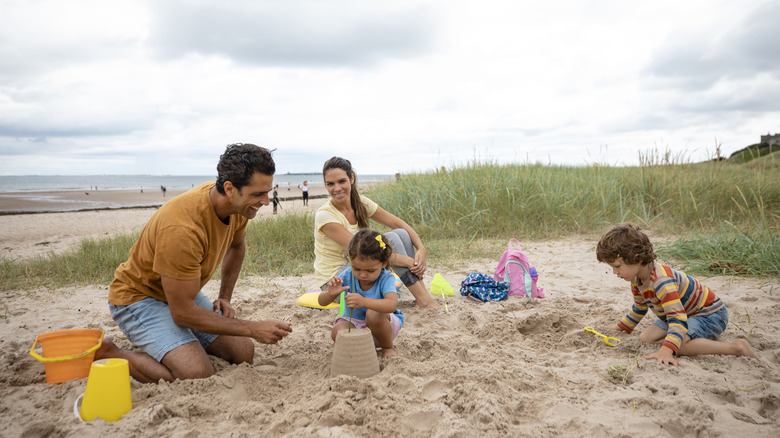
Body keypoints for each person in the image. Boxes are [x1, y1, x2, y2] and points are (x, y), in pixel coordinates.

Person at [97, 143, 293, 383]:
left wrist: (225, 297)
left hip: (179, 295)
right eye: (257, 194)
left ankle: (175, 342)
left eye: (267, 192)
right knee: (196, 373)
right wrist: (252, 328)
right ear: (230, 188)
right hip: (138, 299)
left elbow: (236, 245)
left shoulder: (238, 207)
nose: (265, 201)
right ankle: (110, 353)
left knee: (243, 353)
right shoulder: (182, 229)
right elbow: (182, 313)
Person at [596, 223, 758, 367]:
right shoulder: (636, 278)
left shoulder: (662, 281)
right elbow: (640, 307)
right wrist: (621, 328)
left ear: (637, 259)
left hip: (708, 314)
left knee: (677, 347)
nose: (615, 272)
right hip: (681, 313)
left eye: (617, 266)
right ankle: (691, 338)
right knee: (646, 337)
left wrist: (667, 350)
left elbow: (678, 318)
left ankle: (736, 348)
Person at [314, 157, 439, 309]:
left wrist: (421, 248)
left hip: (360, 270)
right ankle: (425, 301)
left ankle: (422, 295)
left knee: (400, 233)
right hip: (335, 283)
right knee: (390, 239)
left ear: (351, 178)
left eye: (341, 181)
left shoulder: (360, 203)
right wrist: (410, 262)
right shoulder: (325, 215)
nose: (337, 188)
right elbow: (362, 251)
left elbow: (399, 224)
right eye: (330, 184)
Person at [318, 229, 404, 358]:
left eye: (370, 270)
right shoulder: (347, 274)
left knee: (373, 313)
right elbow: (321, 302)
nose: (362, 274)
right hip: (355, 326)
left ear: (383, 264)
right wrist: (330, 293)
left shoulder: (386, 278)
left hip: (383, 330)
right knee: (337, 331)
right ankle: (360, 351)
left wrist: (364, 302)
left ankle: (387, 348)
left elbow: (391, 305)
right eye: (356, 268)